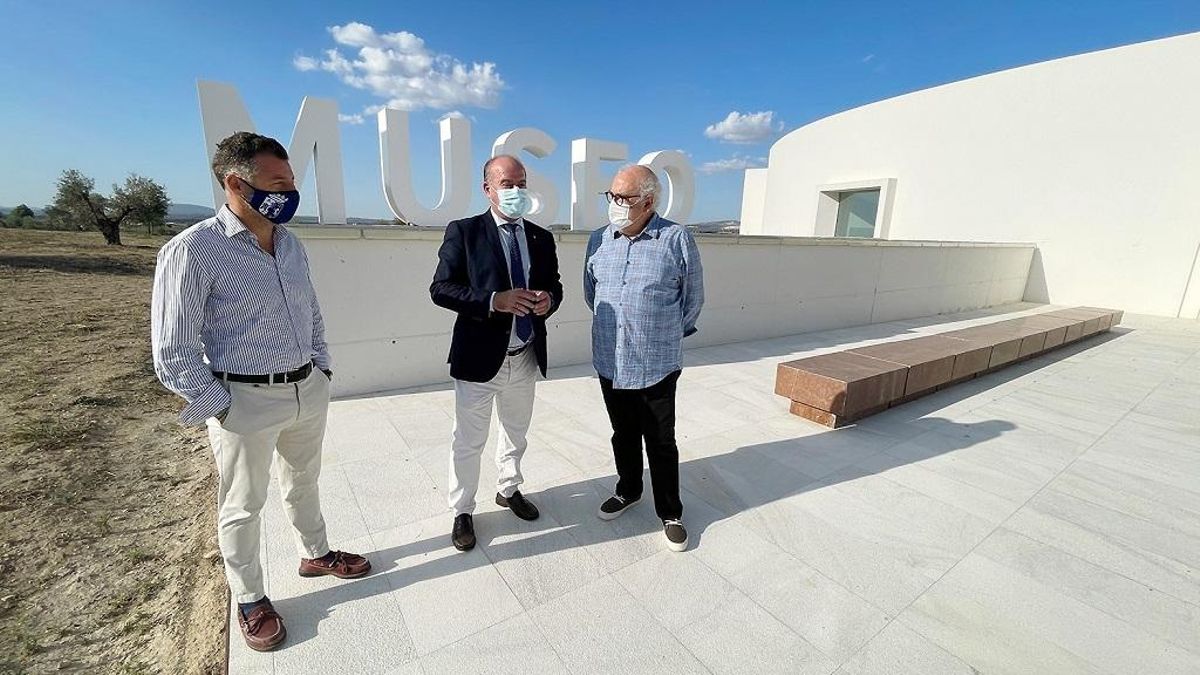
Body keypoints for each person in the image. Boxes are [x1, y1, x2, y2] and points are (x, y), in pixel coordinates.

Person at [151, 132, 370, 652]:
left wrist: (321, 369)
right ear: (236, 183)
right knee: (243, 505)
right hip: (243, 401)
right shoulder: (192, 250)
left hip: (304, 390)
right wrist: (221, 406)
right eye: (279, 183)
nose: (291, 192)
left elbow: (310, 310)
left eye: (293, 182)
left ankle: (315, 553)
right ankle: (250, 598)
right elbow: (172, 348)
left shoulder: (290, 242)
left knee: (305, 481)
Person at [430, 154, 563, 552]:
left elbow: (554, 285)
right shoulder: (464, 232)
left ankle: (509, 489)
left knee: (516, 432)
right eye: (507, 184)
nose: (516, 191)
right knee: (469, 441)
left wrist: (548, 301)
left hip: (524, 354)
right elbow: (440, 288)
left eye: (521, 183)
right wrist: (493, 301)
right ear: (487, 189)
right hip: (478, 359)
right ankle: (463, 510)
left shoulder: (541, 237)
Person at [583, 165, 705, 552]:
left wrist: (660, 334)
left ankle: (670, 511)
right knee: (623, 433)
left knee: (661, 441)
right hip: (610, 360)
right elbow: (592, 294)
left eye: (624, 198)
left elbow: (693, 300)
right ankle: (628, 489)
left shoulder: (676, 239)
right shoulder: (598, 240)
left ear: (649, 202)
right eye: (612, 196)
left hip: (656, 363)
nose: (615, 205)